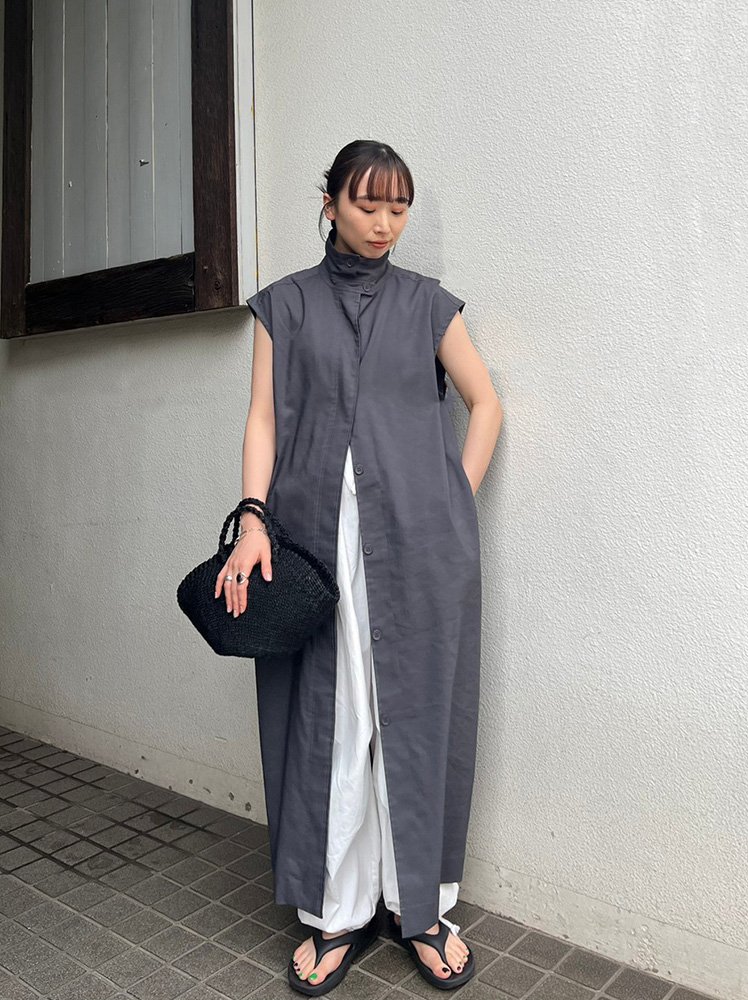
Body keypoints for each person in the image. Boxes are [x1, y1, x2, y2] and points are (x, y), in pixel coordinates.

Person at [216, 140, 503, 995]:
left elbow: (486, 403)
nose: (384, 223)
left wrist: (452, 501)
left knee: (415, 716)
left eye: (398, 208)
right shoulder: (284, 306)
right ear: (331, 203)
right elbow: (263, 418)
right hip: (310, 543)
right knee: (328, 720)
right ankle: (335, 912)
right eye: (367, 204)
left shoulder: (429, 306)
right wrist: (253, 519)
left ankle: (422, 912)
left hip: (418, 547)